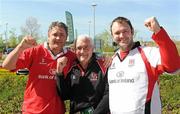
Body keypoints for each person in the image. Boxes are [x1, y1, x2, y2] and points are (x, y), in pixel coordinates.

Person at [108, 16, 180, 114]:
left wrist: (158, 31)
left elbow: (173, 66)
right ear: (112, 36)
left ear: (132, 31)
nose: (121, 35)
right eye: (117, 33)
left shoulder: (148, 53)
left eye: (125, 31)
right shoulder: (112, 60)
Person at [2, 21, 77, 114]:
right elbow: (7, 65)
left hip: (57, 111)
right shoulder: (35, 51)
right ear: (48, 36)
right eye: (55, 34)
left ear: (66, 38)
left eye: (62, 35)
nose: (58, 38)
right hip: (32, 111)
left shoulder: (71, 57)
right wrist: (20, 47)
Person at [56, 35, 109, 114]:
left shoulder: (103, 65)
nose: (82, 51)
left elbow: (108, 95)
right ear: (74, 50)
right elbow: (64, 95)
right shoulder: (71, 67)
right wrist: (59, 72)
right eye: (79, 48)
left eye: (86, 48)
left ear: (92, 48)